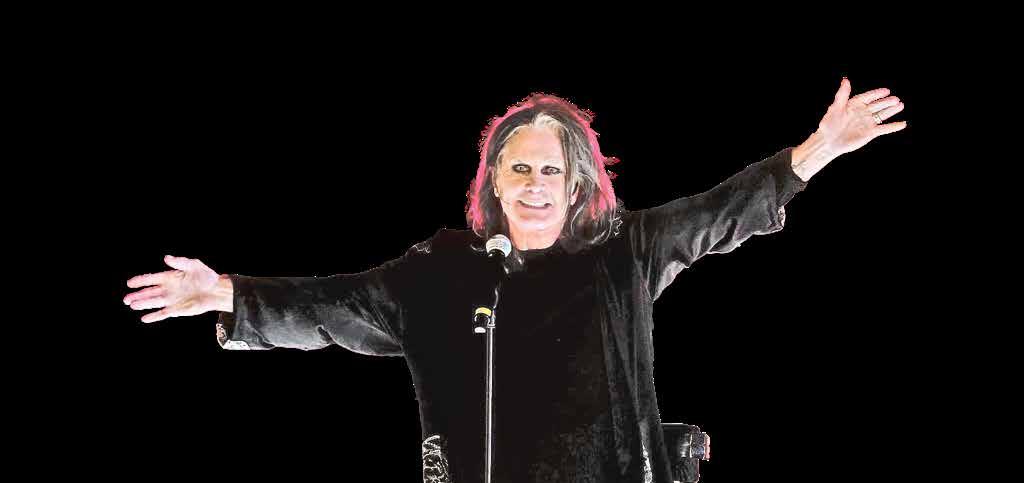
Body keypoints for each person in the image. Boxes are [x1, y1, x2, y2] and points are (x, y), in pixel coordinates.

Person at [123, 80, 906, 482]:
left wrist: (814, 151)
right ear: (495, 179)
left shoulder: (624, 254)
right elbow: (331, 309)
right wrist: (226, 293)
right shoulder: (436, 276)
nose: (535, 185)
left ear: (575, 184)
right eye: (520, 168)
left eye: (550, 171)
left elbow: (719, 215)